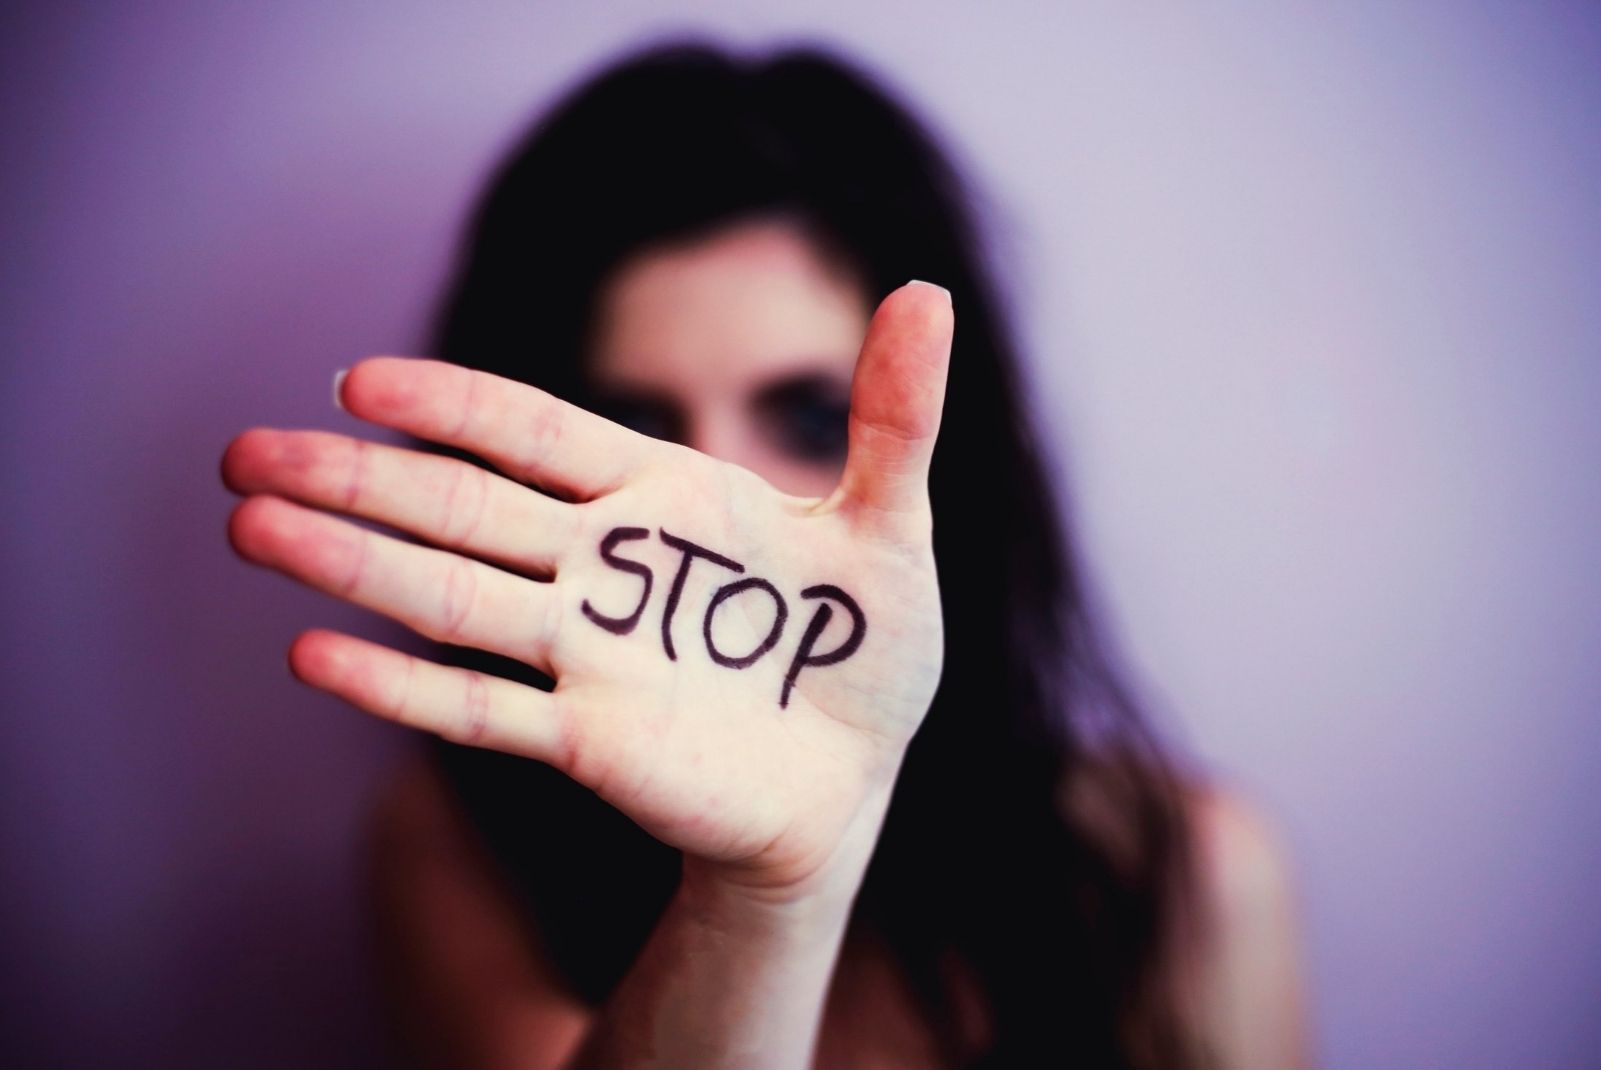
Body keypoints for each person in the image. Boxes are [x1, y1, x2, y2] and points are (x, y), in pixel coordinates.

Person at [222, 38, 1311, 1069]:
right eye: (636, 425)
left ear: (951, 459)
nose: (711, 499)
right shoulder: (459, 844)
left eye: (805, 417)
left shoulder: (1180, 875)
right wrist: (763, 895)